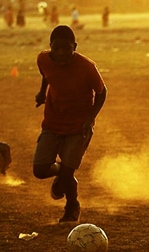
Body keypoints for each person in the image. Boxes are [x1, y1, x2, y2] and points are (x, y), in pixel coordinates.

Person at [33, 25, 107, 224]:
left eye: (67, 48)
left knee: (68, 172)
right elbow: (45, 74)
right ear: (50, 47)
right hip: (53, 121)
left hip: (78, 125)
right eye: (57, 49)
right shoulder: (43, 59)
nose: (62, 53)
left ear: (75, 46)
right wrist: (42, 93)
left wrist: (90, 118)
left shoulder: (87, 67)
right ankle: (60, 173)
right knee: (39, 170)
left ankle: (72, 206)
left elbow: (102, 92)